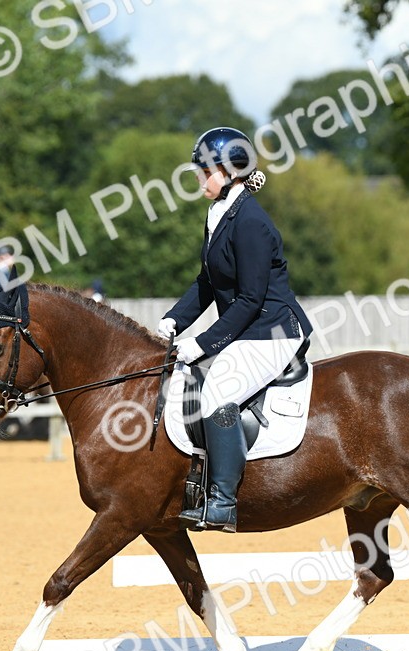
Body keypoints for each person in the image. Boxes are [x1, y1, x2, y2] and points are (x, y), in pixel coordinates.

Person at [157, 126, 313, 532]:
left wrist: (203, 343)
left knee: (218, 391)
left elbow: (250, 299)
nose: (198, 178)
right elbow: (207, 283)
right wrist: (175, 319)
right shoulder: (219, 213)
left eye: (205, 171)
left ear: (230, 172)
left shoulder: (250, 222)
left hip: (273, 330)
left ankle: (223, 501)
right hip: (250, 328)